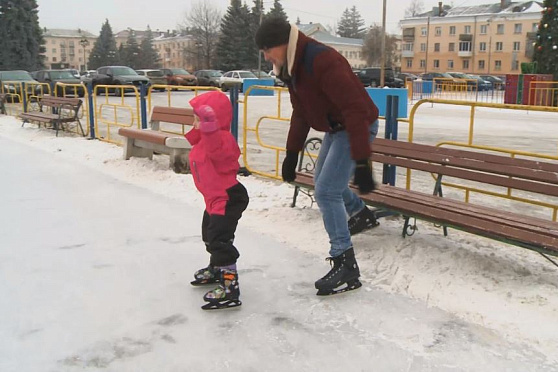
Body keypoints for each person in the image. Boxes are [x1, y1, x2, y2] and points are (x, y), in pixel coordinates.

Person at [256, 17, 380, 296]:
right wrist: (291, 153)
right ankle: (360, 213)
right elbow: (301, 112)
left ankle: (345, 262)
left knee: (326, 192)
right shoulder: (292, 66)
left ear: (283, 44)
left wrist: (362, 161)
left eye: (267, 50)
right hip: (337, 128)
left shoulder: (322, 60)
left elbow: (356, 110)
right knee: (322, 182)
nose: (265, 57)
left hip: (355, 124)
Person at [184, 91, 249, 310]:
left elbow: (218, 153)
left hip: (228, 197)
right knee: (208, 235)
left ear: (213, 121)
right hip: (213, 198)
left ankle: (230, 285)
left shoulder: (222, 140)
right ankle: (216, 268)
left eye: (198, 119)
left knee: (219, 240)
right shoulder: (203, 139)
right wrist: (199, 129)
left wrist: (210, 127)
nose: (194, 122)